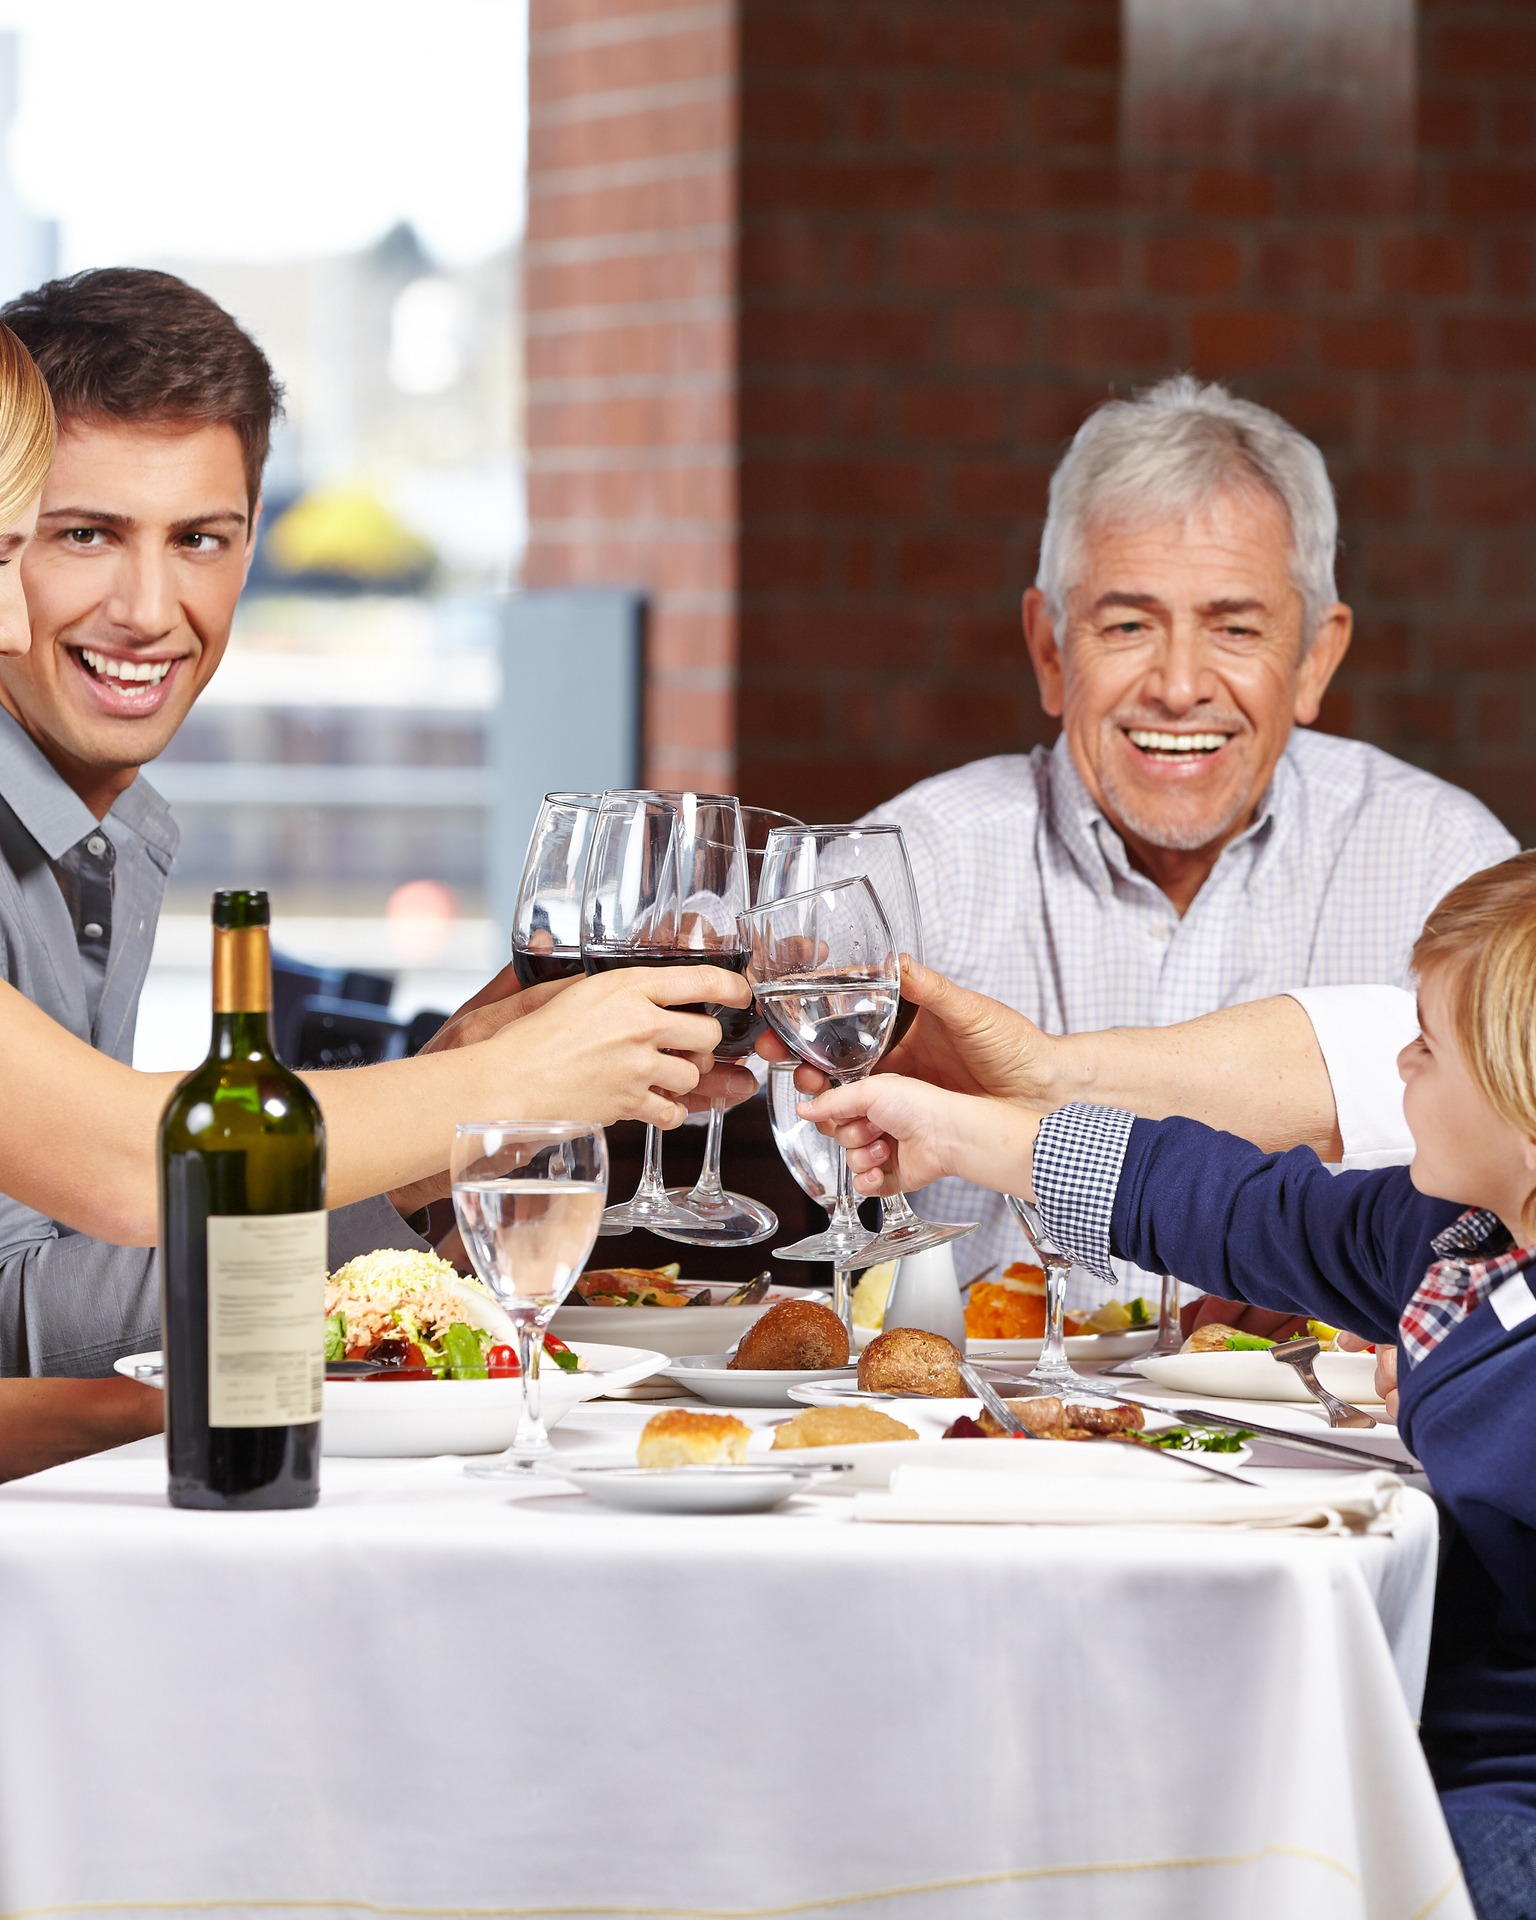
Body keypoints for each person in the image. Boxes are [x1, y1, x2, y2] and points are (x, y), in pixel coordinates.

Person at [0, 267, 752, 1375]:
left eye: (200, 539)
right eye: (82, 537)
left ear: (253, 544)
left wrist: (429, 1128)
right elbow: (68, 1258)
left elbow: (60, 1286)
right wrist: (502, 1085)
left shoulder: (104, 840)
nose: (151, 612)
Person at [803, 859, 1536, 1917]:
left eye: (1432, 1042)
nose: (1401, 1062)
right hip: (1427, 1732)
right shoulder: (1453, 1241)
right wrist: (967, 1133)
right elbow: (1232, 1206)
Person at [863, 375, 1515, 1291]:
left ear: (1314, 658)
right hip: (988, 1425)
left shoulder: (1445, 861)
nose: (1178, 684)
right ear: (1051, 651)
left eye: (1235, 628)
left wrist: (1047, 1084)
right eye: (1128, 624)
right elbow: (773, 1097)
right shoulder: (917, 855)